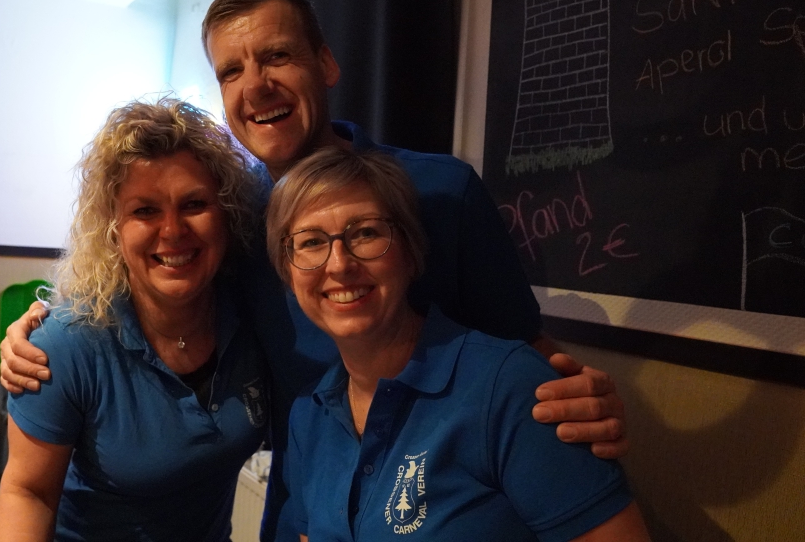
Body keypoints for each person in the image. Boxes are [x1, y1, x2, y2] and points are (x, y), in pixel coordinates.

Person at [0, 0, 628, 541]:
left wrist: (576, 400)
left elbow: (524, 351)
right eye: (231, 70)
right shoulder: (238, 219)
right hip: (311, 502)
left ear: (325, 63)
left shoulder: (441, 192)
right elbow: (155, 279)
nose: (256, 85)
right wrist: (41, 328)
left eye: (277, 55)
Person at [269, 145, 650, 541]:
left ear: (410, 252)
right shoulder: (308, 417)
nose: (339, 264)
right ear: (288, 274)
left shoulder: (509, 388)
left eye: (365, 232)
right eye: (310, 242)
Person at [0, 98, 268, 541]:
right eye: (145, 210)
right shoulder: (66, 345)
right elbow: (28, 494)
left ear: (227, 213)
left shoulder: (256, 314)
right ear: (113, 228)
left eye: (194, 203)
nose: (173, 230)